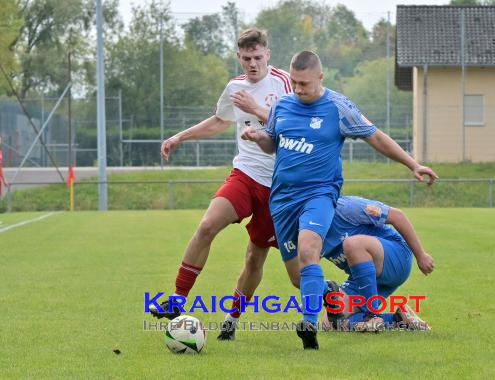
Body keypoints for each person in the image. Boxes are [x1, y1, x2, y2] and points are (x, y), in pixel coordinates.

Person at [241, 50, 438, 350]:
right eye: (294, 82)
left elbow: (376, 136)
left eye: (305, 83)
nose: (298, 89)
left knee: (309, 249)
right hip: (282, 202)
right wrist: (260, 138)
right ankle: (348, 302)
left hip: (319, 194)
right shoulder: (282, 106)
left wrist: (412, 164)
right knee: (299, 279)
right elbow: (272, 143)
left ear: (321, 77)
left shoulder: (337, 107)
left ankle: (308, 326)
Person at [150, 28, 292, 343]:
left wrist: (258, 112)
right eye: (246, 59)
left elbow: (293, 127)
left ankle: (232, 318)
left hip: (281, 188)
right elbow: (219, 120)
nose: (252, 64)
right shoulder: (234, 87)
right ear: (238, 58)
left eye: (257, 57)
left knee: (264, 262)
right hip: (245, 173)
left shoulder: (284, 83)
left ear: (267, 54)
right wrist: (179, 136)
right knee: (206, 225)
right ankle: (177, 299)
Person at [318, 195, 434, 332]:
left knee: (352, 244)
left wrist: (420, 255)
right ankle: (399, 319)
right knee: (330, 323)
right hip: (364, 276)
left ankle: (372, 315)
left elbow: (397, 216)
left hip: (397, 257)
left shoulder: (346, 207)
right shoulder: (310, 232)